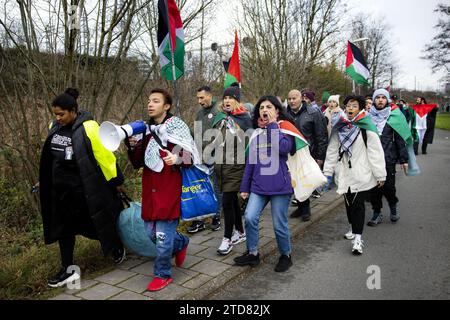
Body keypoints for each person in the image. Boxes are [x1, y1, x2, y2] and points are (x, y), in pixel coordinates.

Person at [39, 88, 126, 288]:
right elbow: (52, 158)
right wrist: (43, 180)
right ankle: (68, 270)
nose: (58, 118)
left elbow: (104, 156)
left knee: (94, 225)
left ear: (73, 110)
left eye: (61, 114)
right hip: (61, 193)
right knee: (64, 230)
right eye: (56, 114)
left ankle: (116, 245)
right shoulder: (54, 126)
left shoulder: (89, 127)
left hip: (84, 191)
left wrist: (116, 181)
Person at [127, 88, 192, 291]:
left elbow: (191, 157)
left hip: (169, 188)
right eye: (149, 101)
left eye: (155, 101)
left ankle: (162, 274)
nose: (150, 104)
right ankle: (181, 242)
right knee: (151, 233)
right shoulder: (144, 130)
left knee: (163, 238)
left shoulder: (177, 127)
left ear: (166, 106)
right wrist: (132, 146)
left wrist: (178, 158)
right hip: (150, 189)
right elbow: (137, 162)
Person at [234, 95, 296, 271]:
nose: (265, 110)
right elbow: (250, 163)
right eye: (261, 108)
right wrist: (245, 187)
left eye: (269, 107)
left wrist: (273, 126)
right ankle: (252, 253)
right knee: (250, 217)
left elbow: (284, 148)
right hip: (259, 187)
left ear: (276, 110)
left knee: (279, 224)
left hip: (280, 187)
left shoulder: (285, 128)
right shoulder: (256, 134)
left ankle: (286, 255)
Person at [323, 95, 386, 254]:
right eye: (348, 105)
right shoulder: (340, 126)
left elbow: (375, 152)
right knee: (349, 203)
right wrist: (328, 172)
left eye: (354, 105)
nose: (350, 108)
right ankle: (352, 227)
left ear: (360, 108)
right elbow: (332, 150)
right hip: (344, 173)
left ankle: (358, 239)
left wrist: (380, 175)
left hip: (361, 173)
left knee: (358, 206)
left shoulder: (366, 126)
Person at [212, 83, 253, 255]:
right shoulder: (221, 118)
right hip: (221, 166)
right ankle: (241, 232)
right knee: (233, 201)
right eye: (225, 97)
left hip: (237, 167)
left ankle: (227, 239)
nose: (227, 100)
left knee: (227, 201)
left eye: (231, 98)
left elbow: (250, 142)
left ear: (237, 101)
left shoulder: (244, 118)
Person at [367, 89, 410, 226]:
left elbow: (399, 140)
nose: (380, 100)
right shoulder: (367, 117)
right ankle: (376, 213)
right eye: (377, 97)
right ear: (373, 100)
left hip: (388, 159)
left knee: (389, 187)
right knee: (374, 189)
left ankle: (393, 205)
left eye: (383, 98)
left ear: (387, 100)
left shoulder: (394, 117)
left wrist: (404, 160)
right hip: (371, 159)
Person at [287, 89, 328, 221]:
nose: (292, 101)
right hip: (290, 154)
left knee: (305, 182)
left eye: (294, 98)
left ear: (301, 98)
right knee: (295, 183)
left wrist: (320, 157)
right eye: (289, 99)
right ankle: (300, 207)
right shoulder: (285, 114)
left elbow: (321, 136)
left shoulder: (313, 113)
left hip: (309, 153)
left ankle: (306, 210)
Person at [187, 86, 222, 234]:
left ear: (210, 95)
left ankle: (216, 217)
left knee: (214, 188)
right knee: (200, 188)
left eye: (202, 98)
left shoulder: (218, 110)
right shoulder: (199, 113)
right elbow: (196, 134)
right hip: (199, 158)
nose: (200, 101)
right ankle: (200, 219)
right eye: (198, 99)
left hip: (215, 158)